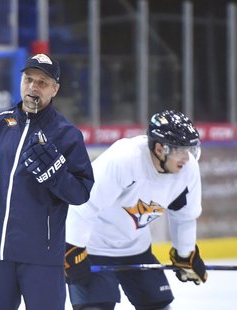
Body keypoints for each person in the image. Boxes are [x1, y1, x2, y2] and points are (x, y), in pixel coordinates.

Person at [0, 53, 95, 310]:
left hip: (42, 258)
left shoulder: (66, 135)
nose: (33, 87)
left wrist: (56, 175)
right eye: (28, 79)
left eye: (42, 82)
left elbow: (81, 193)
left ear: (55, 89)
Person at [64, 110, 208, 310]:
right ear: (159, 148)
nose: (187, 158)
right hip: (94, 248)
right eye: (180, 150)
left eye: (190, 150)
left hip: (136, 249)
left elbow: (184, 216)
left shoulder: (187, 169)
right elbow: (84, 203)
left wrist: (185, 253)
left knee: (159, 306)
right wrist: (72, 248)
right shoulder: (124, 159)